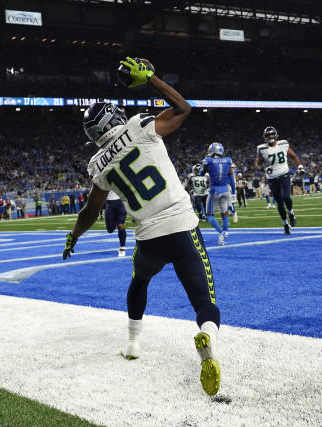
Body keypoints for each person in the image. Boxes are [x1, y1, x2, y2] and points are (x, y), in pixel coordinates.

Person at [63, 57, 220, 396]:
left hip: (148, 238)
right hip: (181, 226)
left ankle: (133, 344)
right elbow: (183, 108)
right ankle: (208, 336)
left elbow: (91, 210)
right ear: (113, 118)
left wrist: (73, 236)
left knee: (139, 281)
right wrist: (151, 79)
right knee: (204, 301)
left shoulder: (97, 164)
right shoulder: (138, 126)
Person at [255, 126, 302, 235]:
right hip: (271, 178)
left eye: (272, 135)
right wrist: (264, 168)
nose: (270, 137)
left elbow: (293, 156)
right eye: (268, 135)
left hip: (284, 174)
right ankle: (285, 224)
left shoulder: (283, 144)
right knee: (279, 203)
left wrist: (300, 165)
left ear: (275, 135)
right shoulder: (262, 149)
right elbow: (258, 163)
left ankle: (291, 213)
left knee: (286, 197)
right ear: (265, 137)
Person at [201, 142, 235, 246]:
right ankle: (225, 233)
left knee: (209, 215)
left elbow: (201, 173)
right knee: (224, 212)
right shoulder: (228, 160)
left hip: (215, 190)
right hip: (226, 190)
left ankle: (221, 233)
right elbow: (232, 180)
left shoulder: (208, 161)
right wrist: (233, 193)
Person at [104, 191, 128, 256]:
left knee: (120, 224)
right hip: (109, 202)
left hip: (121, 202)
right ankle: (112, 220)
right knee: (110, 229)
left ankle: (122, 248)